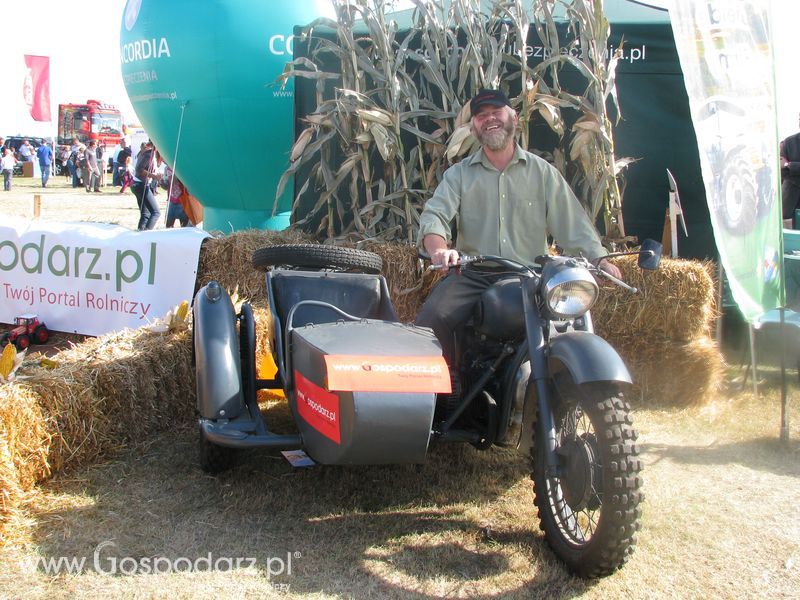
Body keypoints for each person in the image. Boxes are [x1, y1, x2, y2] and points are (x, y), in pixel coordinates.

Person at [415, 88, 621, 364]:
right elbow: (435, 216)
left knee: (569, 322)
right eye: (481, 116)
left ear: (513, 117)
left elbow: (573, 224)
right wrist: (440, 250)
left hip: (531, 276)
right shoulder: (459, 175)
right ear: (474, 126)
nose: (489, 119)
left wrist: (600, 259)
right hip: (475, 275)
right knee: (431, 319)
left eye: (496, 112)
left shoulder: (542, 172)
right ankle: (439, 398)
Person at [132, 140, 161, 230]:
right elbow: (139, 169)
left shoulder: (148, 153)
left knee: (146, 214)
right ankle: (147, 233)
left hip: (137, 184)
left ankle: (141, 234)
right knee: (156, 213)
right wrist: (154, 176)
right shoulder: (149, 154)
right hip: (141, 185)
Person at [780, 113, 800, 227]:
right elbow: (781, 170)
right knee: (790, 239)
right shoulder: (788, 142)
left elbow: (785, 165)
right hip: (790, 201)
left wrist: (789, 165)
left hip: (792, 185)